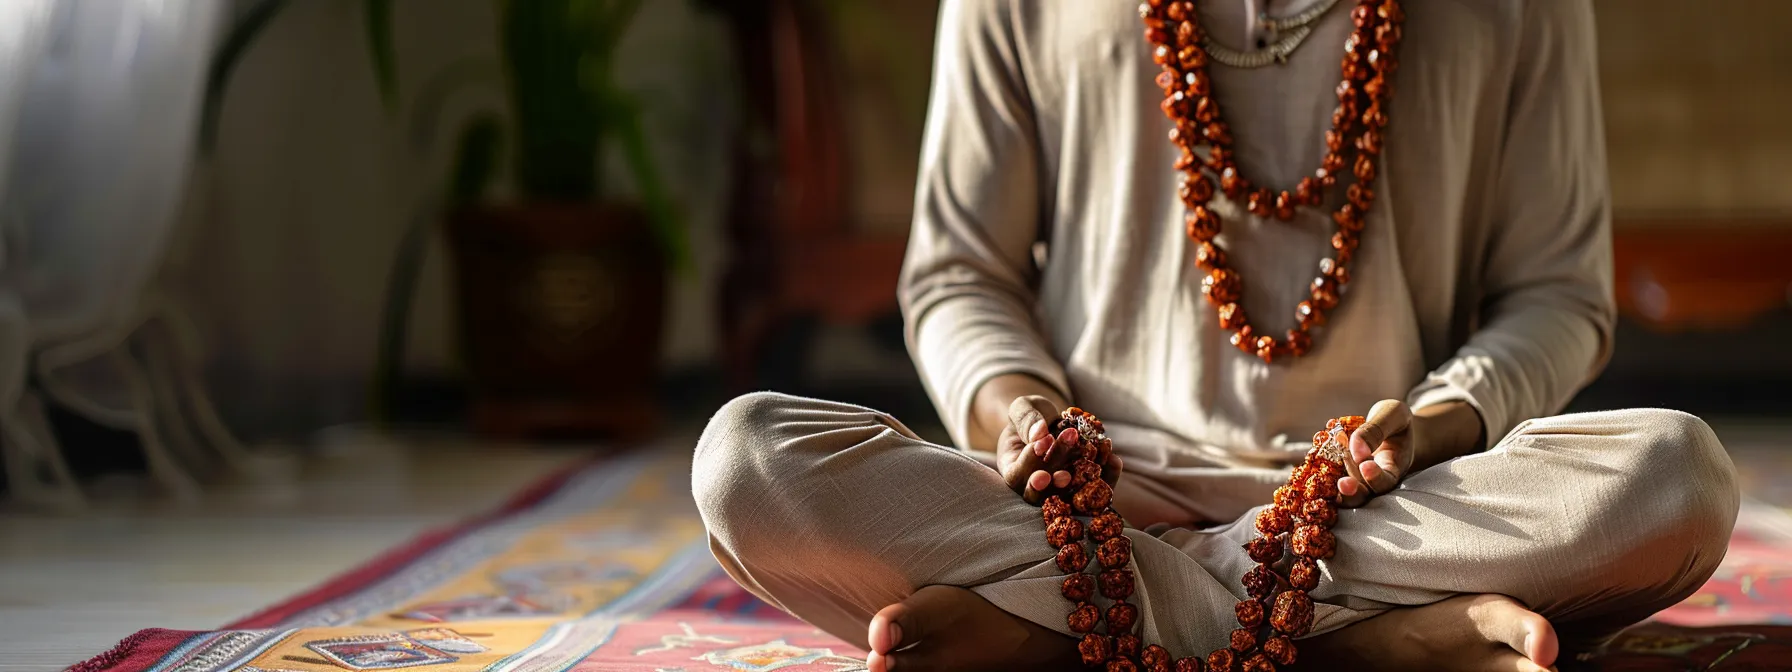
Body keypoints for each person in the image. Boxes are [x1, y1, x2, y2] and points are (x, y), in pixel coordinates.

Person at [692, 0, 1739, 670]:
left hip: (1388, 502)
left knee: (1674, 476)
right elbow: (960, 274)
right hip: (1087, 497)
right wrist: (1026, 416)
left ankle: (1068, 632)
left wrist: (1434, 422)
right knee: (747, 460)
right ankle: (1359, 644)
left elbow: (1558, 293)